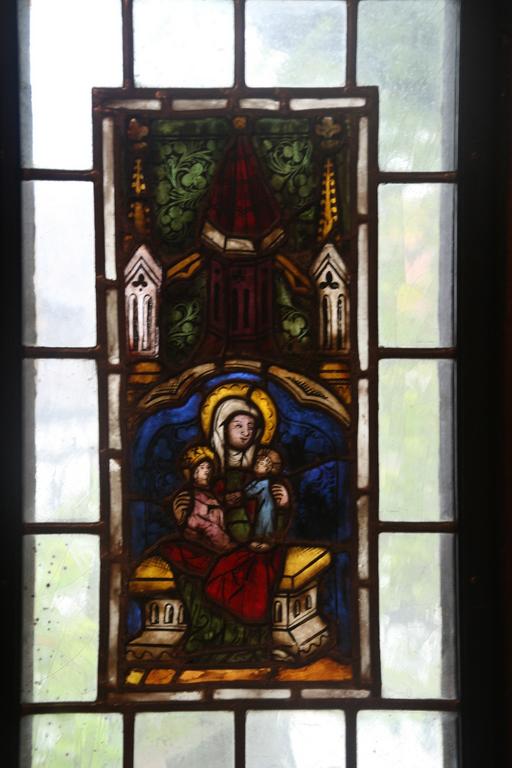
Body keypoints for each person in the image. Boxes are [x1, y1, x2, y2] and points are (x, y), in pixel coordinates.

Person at [176, 446, 234, 553]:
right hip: (204, 544)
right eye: (202, 467)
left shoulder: (210, 493)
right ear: (194, 473)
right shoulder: (191, 496)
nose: (206, 471)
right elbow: (203, 525)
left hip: (216, 541)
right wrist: (226, 545)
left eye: (208, 467)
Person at [244, 448, 283, 550]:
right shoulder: (259, 481)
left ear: (268, 469)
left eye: (261, 464)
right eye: (257, 463)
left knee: (264, 523)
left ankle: (266, 542)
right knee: (261, 523)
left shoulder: (264, 482)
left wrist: (242, 492)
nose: (257, 465)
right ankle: (260, 541)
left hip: (266, 508)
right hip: (263, 507)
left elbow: (250, 491)